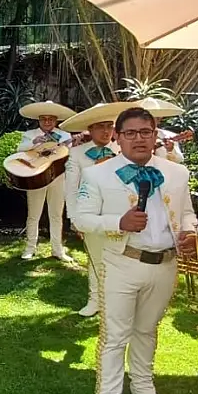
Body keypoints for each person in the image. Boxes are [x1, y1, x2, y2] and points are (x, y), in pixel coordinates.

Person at [76, 107, 198, 394]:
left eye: (146, 132)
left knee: (147, 330)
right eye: (130, 133)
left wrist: (191, 233)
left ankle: (143, 387)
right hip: (121, 264)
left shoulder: (176, 173)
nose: (139, 139)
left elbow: (187, 214)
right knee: (115, 337)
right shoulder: (98, 175)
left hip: (165, 264)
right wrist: (118, 222)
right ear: (117, 137)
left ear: (155, 133)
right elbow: (81, 218)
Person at [62, 102, 123, 317]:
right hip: (90, 215)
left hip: (120, 216)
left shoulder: (122, 150)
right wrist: (74, 217)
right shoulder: (77, 153)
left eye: (109, 126)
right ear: (90, 129)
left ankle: (117, 303)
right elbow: (70, 188)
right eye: (100, 126)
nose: (106, 131)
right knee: (96, 260)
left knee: (120, 260)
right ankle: (95, 300)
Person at [17, 101, 76, 262]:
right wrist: (34, 142)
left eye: (51, 119)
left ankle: (58, 249)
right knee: (33, 214)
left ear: (56, 120)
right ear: (39, 120)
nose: (47, 122)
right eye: (44, 119)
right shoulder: (30, 133)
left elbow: (68, 153)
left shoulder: (64, 135)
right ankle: (30, 248)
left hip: (57, 176)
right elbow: (19, 150)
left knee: (56, 214)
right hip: (36, 176)